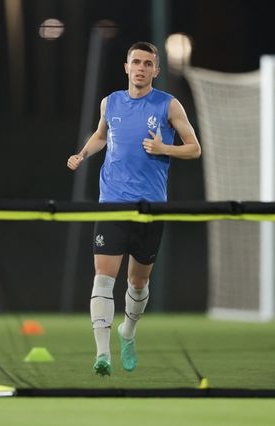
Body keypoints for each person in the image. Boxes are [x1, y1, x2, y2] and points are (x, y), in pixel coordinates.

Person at [67, 42, 202, 376]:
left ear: (156, 70)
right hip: (112, 203)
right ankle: (102, 355)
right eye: (136, 62)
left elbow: (194, 149)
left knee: (138, 284)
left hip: (150, 207)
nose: (141, 68)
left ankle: (127, 332)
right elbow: (101, 135)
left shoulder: (168, 105)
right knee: (102, 278)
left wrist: (163, 148)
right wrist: (82, 154)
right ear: (126, 67)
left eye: (147, 63)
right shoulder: (110, 102)